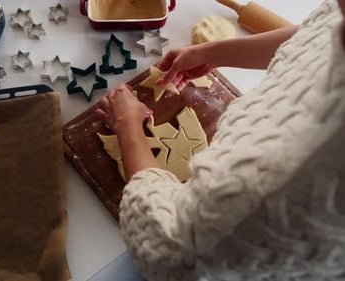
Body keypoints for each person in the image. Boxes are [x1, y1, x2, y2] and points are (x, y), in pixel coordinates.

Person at [95, 0, 345, 280]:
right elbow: (317, 35)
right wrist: (214, 53)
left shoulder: (298, 171)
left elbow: (170, 253)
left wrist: (127, 127)